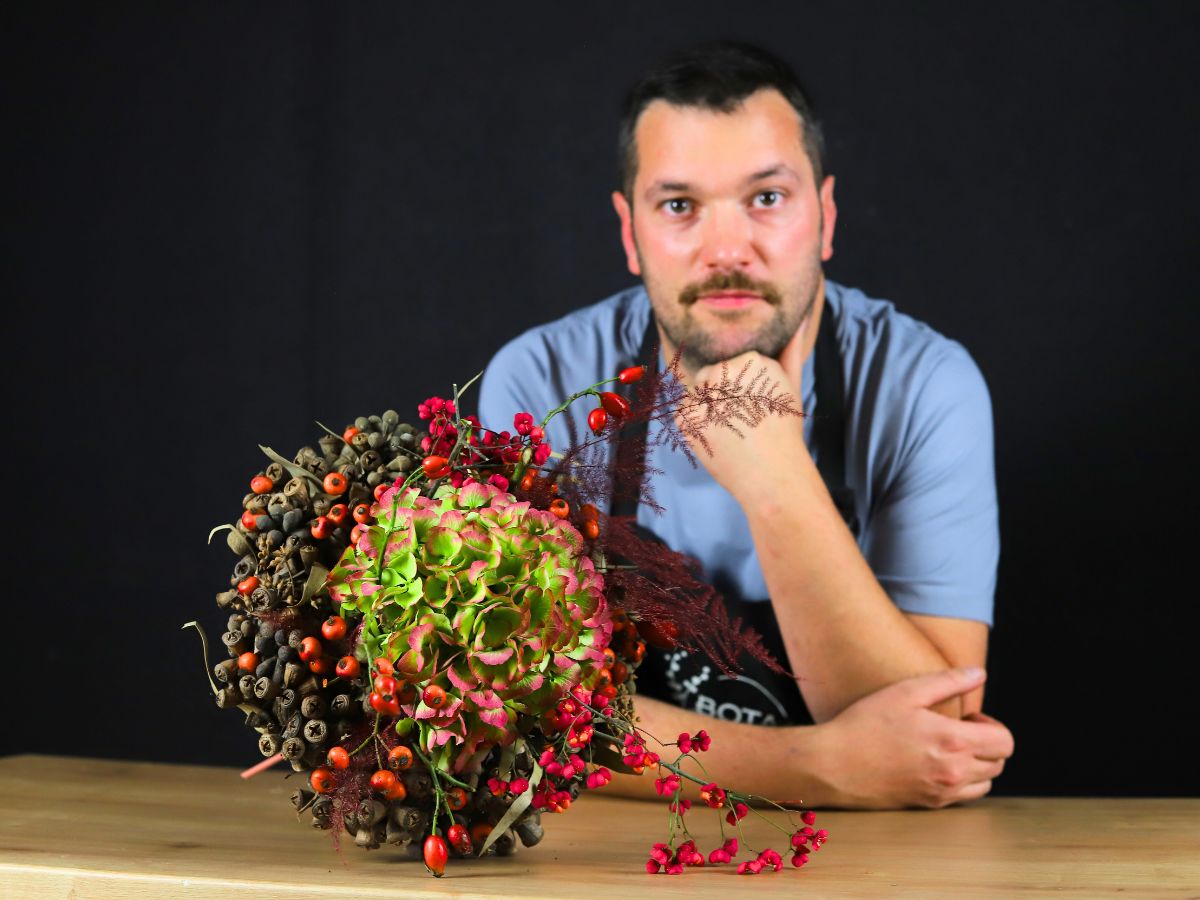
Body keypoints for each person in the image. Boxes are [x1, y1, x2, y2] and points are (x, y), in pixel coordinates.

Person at [479, 41, 1014, 809]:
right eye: (679, 206)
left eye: (766, 198)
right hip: (612, 857)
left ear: (825, 218)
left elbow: (937, 734)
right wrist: (818, 766)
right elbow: (526, 711)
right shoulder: (544, 384)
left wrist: (776, 479)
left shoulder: (924, 386)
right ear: (630, 234)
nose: (727, 251)